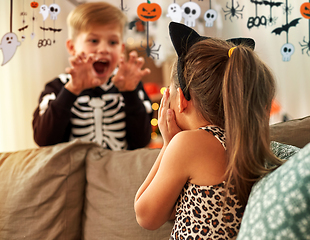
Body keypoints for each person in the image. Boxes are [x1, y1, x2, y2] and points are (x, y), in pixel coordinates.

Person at [134, 22, 285, 239]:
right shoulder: (246, 143)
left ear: (181, 101)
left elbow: (145, 216)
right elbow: (167, 210)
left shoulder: (188, 144)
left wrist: (168, 143)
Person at [32, 2, 153, 150]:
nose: (103, 49)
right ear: (72, 47)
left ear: (121, 50)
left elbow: (142, 141)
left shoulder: (130, 87)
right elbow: (44, 140)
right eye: (93, 40)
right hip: (74, 171)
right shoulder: (57, 87)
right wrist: (71, 90)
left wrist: (130, 93)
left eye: (113, 42)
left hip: (119, 170)